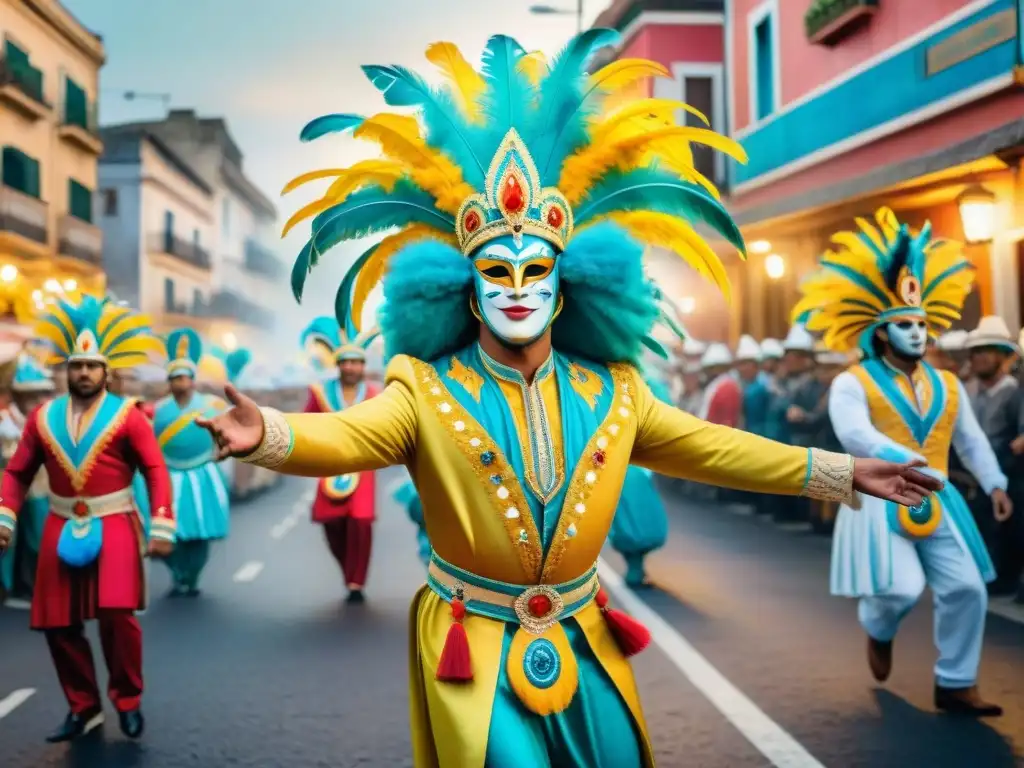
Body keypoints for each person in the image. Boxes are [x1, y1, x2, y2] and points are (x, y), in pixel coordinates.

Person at [200, 35, 939, 767]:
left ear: (565, 290)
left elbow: (716, 448)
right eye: (497, 271)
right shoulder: (424, 388)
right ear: (467, 291)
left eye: (537, 272)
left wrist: (841, 472)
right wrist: (269, 433)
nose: (518, 288)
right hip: (472, 637)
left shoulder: (615, 393)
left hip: (582, 635)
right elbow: (348, 436)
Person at [796, 206, 1010, 716]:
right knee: (901, 589)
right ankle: (878, 626)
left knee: (968, 588)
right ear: (880, 333)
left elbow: (971, 440)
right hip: (879, 495)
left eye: (921, 324)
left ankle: (955, 683)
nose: (916, 333)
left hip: (939, 498)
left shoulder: (949, 384)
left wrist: (995, 483)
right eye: (904, 324)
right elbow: (853, 433)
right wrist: (901, 457)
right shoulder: (851, 381)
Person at [0, 295, 173, 741]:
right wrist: (6, 516)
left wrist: (162, 522)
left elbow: (155, 469)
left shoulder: (129, 416)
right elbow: (17, 472)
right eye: (76, 366)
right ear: (66, 370)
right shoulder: (42, 418)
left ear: (105, 372)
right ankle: (84, 707)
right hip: (59, 522)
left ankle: (128, 700)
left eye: (92, 366)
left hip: (114, 519)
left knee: (117, 617)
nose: (83, 373)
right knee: (57, 623)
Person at [300, 316, 381, 603]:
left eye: (356, 362)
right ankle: (348, 569)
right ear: (338, 364)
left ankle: (356, 581)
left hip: (362, 463)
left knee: (361, 521)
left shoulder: (375, 395)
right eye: (345, 362)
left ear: (363, 365)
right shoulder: (320, 393)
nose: (350, 367)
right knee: (330, 520)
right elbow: (305, 424)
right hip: (330, 464)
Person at [152, 328, 230, 596]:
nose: (180, 381)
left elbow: (225, 434)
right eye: (175, 377)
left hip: (202, 472)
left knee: (200, 531)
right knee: (167, 530)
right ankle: (177, 573)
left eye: (184, 376)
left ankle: (193, 575)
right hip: (169, 474)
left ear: (193, 380)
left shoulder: (212, 406)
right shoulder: (158, 410)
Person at [963, 316, 1023, 595]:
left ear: (1003, 355)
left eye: (987, 350)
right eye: (976, 351)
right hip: (971, 478)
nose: (979, 356)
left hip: (1009, 477)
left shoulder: (1014, 393)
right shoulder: (967, 392)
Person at [0, 353, 56, 602]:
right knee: (7, 540)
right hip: (7, 489)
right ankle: (6, 586)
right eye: (30, 395)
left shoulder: (45, 421)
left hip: (39, 488)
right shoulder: (4, 423)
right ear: (17, 396)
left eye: (39, 394)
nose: (36, 400)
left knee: (38, 537)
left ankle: (34, 584)